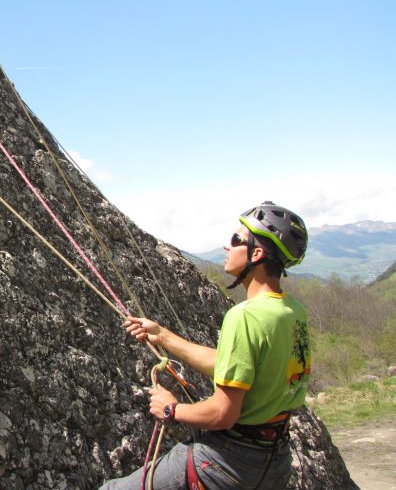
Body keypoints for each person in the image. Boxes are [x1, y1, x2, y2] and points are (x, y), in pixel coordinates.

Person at [100, 201, 311, 490]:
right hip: (275, 461)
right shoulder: (292, 311)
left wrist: (171, 409)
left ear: (257, 253)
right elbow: (233, 363)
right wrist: (161, 335)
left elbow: (223, 414)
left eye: (237, 240)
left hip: (227, 462)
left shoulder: (244, 317)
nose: (227, 246)